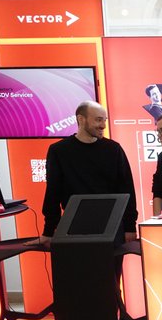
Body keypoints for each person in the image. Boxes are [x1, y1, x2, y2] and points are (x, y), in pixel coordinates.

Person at [33, 101, 138, 246]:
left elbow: (127, 189)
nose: (103, 125)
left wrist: (130, 226)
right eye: (98, 119)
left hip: (112, 227)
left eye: (104, 120)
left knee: (110, 270)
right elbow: (53, 192)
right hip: (73, 228)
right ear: (81, 119)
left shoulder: (113, 149)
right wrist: (49, 231)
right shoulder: (59, 151)